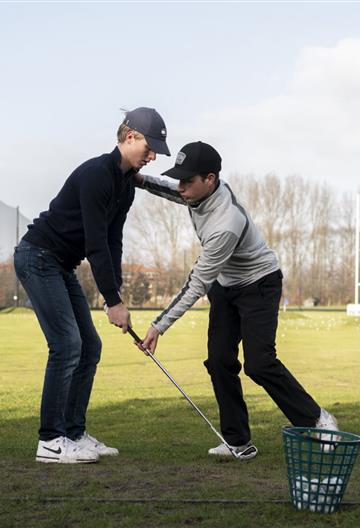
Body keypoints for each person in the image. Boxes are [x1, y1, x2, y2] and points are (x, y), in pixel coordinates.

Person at [134, 141, 337, 460]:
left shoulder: (225, 223)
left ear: (210, 179)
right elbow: (175, 192)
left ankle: (317, 420)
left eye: (188, 180)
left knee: (259, 363)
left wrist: (159, 326)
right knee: (219, 361)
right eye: (180, 179)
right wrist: (139, 179)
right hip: (226, 286)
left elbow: (196, 284)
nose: (181, 187)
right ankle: (237, 440)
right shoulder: (197, 193)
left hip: (259, 284)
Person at [14, 107, 170, 464]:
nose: (152, 156)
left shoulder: (125, 187)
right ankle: (50, 441)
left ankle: (73, 433)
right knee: (67, 345)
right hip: (38, 257)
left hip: (61, 265)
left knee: (90, 347)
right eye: (149, 148)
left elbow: (113, 243)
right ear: (129, 136)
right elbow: (96, 243)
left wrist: (115, 293)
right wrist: (112, 301)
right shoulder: (97, 174)